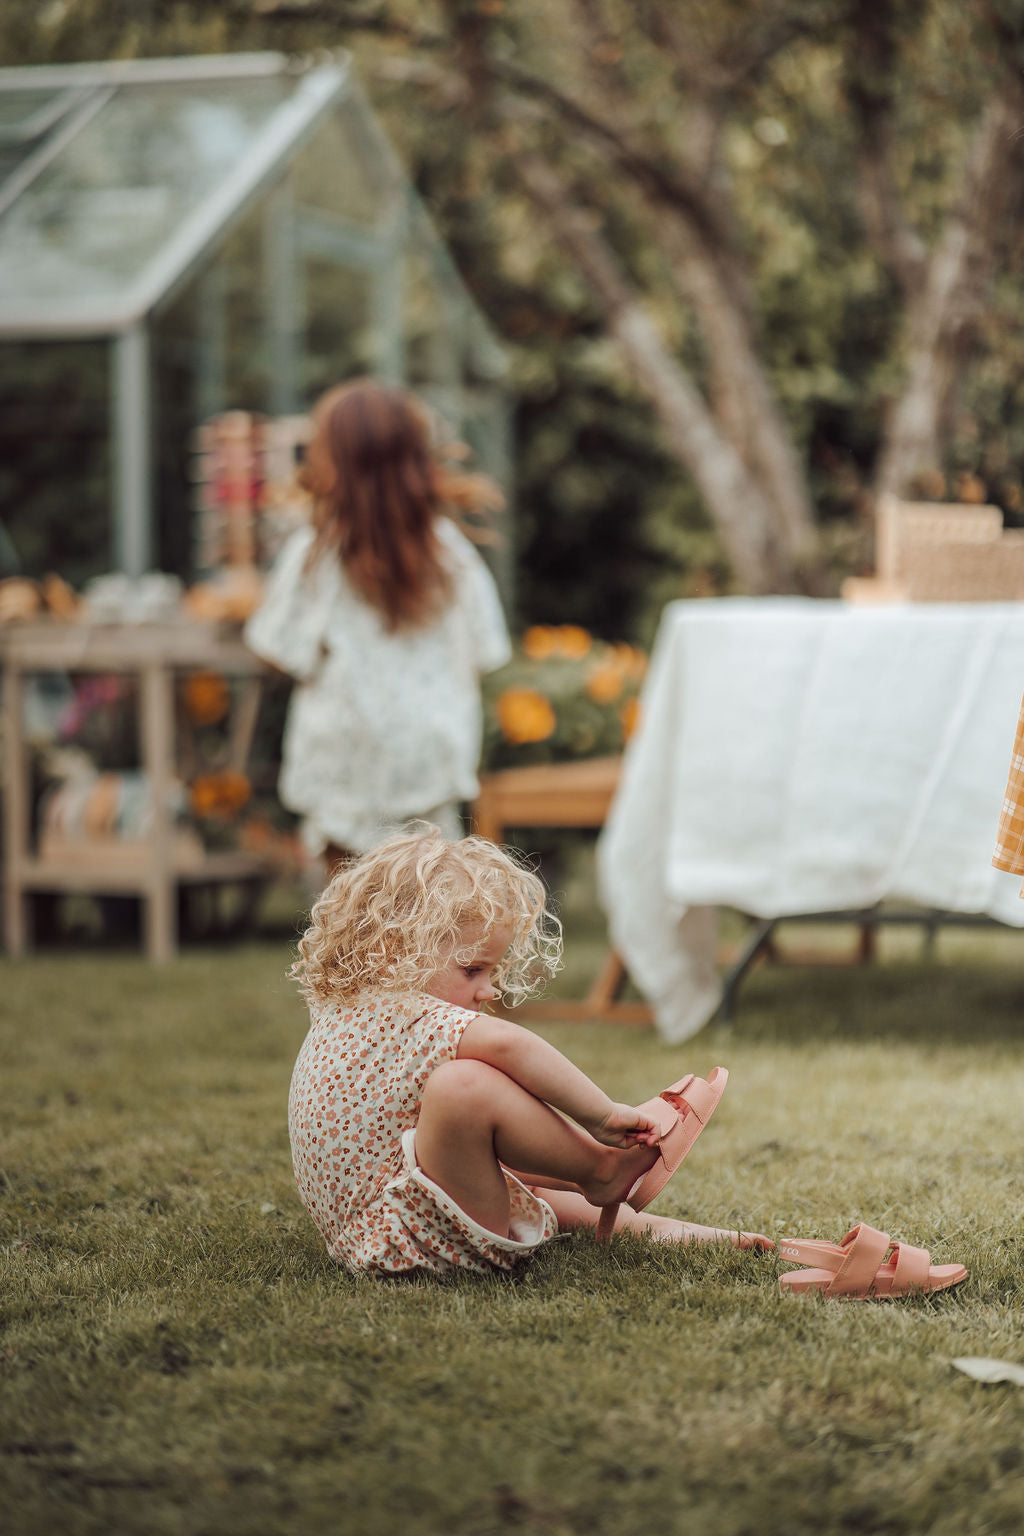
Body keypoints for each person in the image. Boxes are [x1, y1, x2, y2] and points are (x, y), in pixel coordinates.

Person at [287, 825, 773, 1277]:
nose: (486, 990)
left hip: (380, 1229)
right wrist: (602, 1118)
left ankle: (666, 1231)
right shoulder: (404, 1012)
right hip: (404, 1235)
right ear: (397, 952)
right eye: (473, 970)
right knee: (465, 1088)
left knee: (502, 1152)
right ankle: (601, 1167)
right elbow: (507, 1044)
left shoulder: (347, 1008)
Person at [244, 378, 511, 875]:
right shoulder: (451, 552)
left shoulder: (317, 556)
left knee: (351, 925)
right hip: (430, 761)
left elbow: (275, 647)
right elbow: (486, 649)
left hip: (346, 764)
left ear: (333, 463)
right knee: (426, 918)